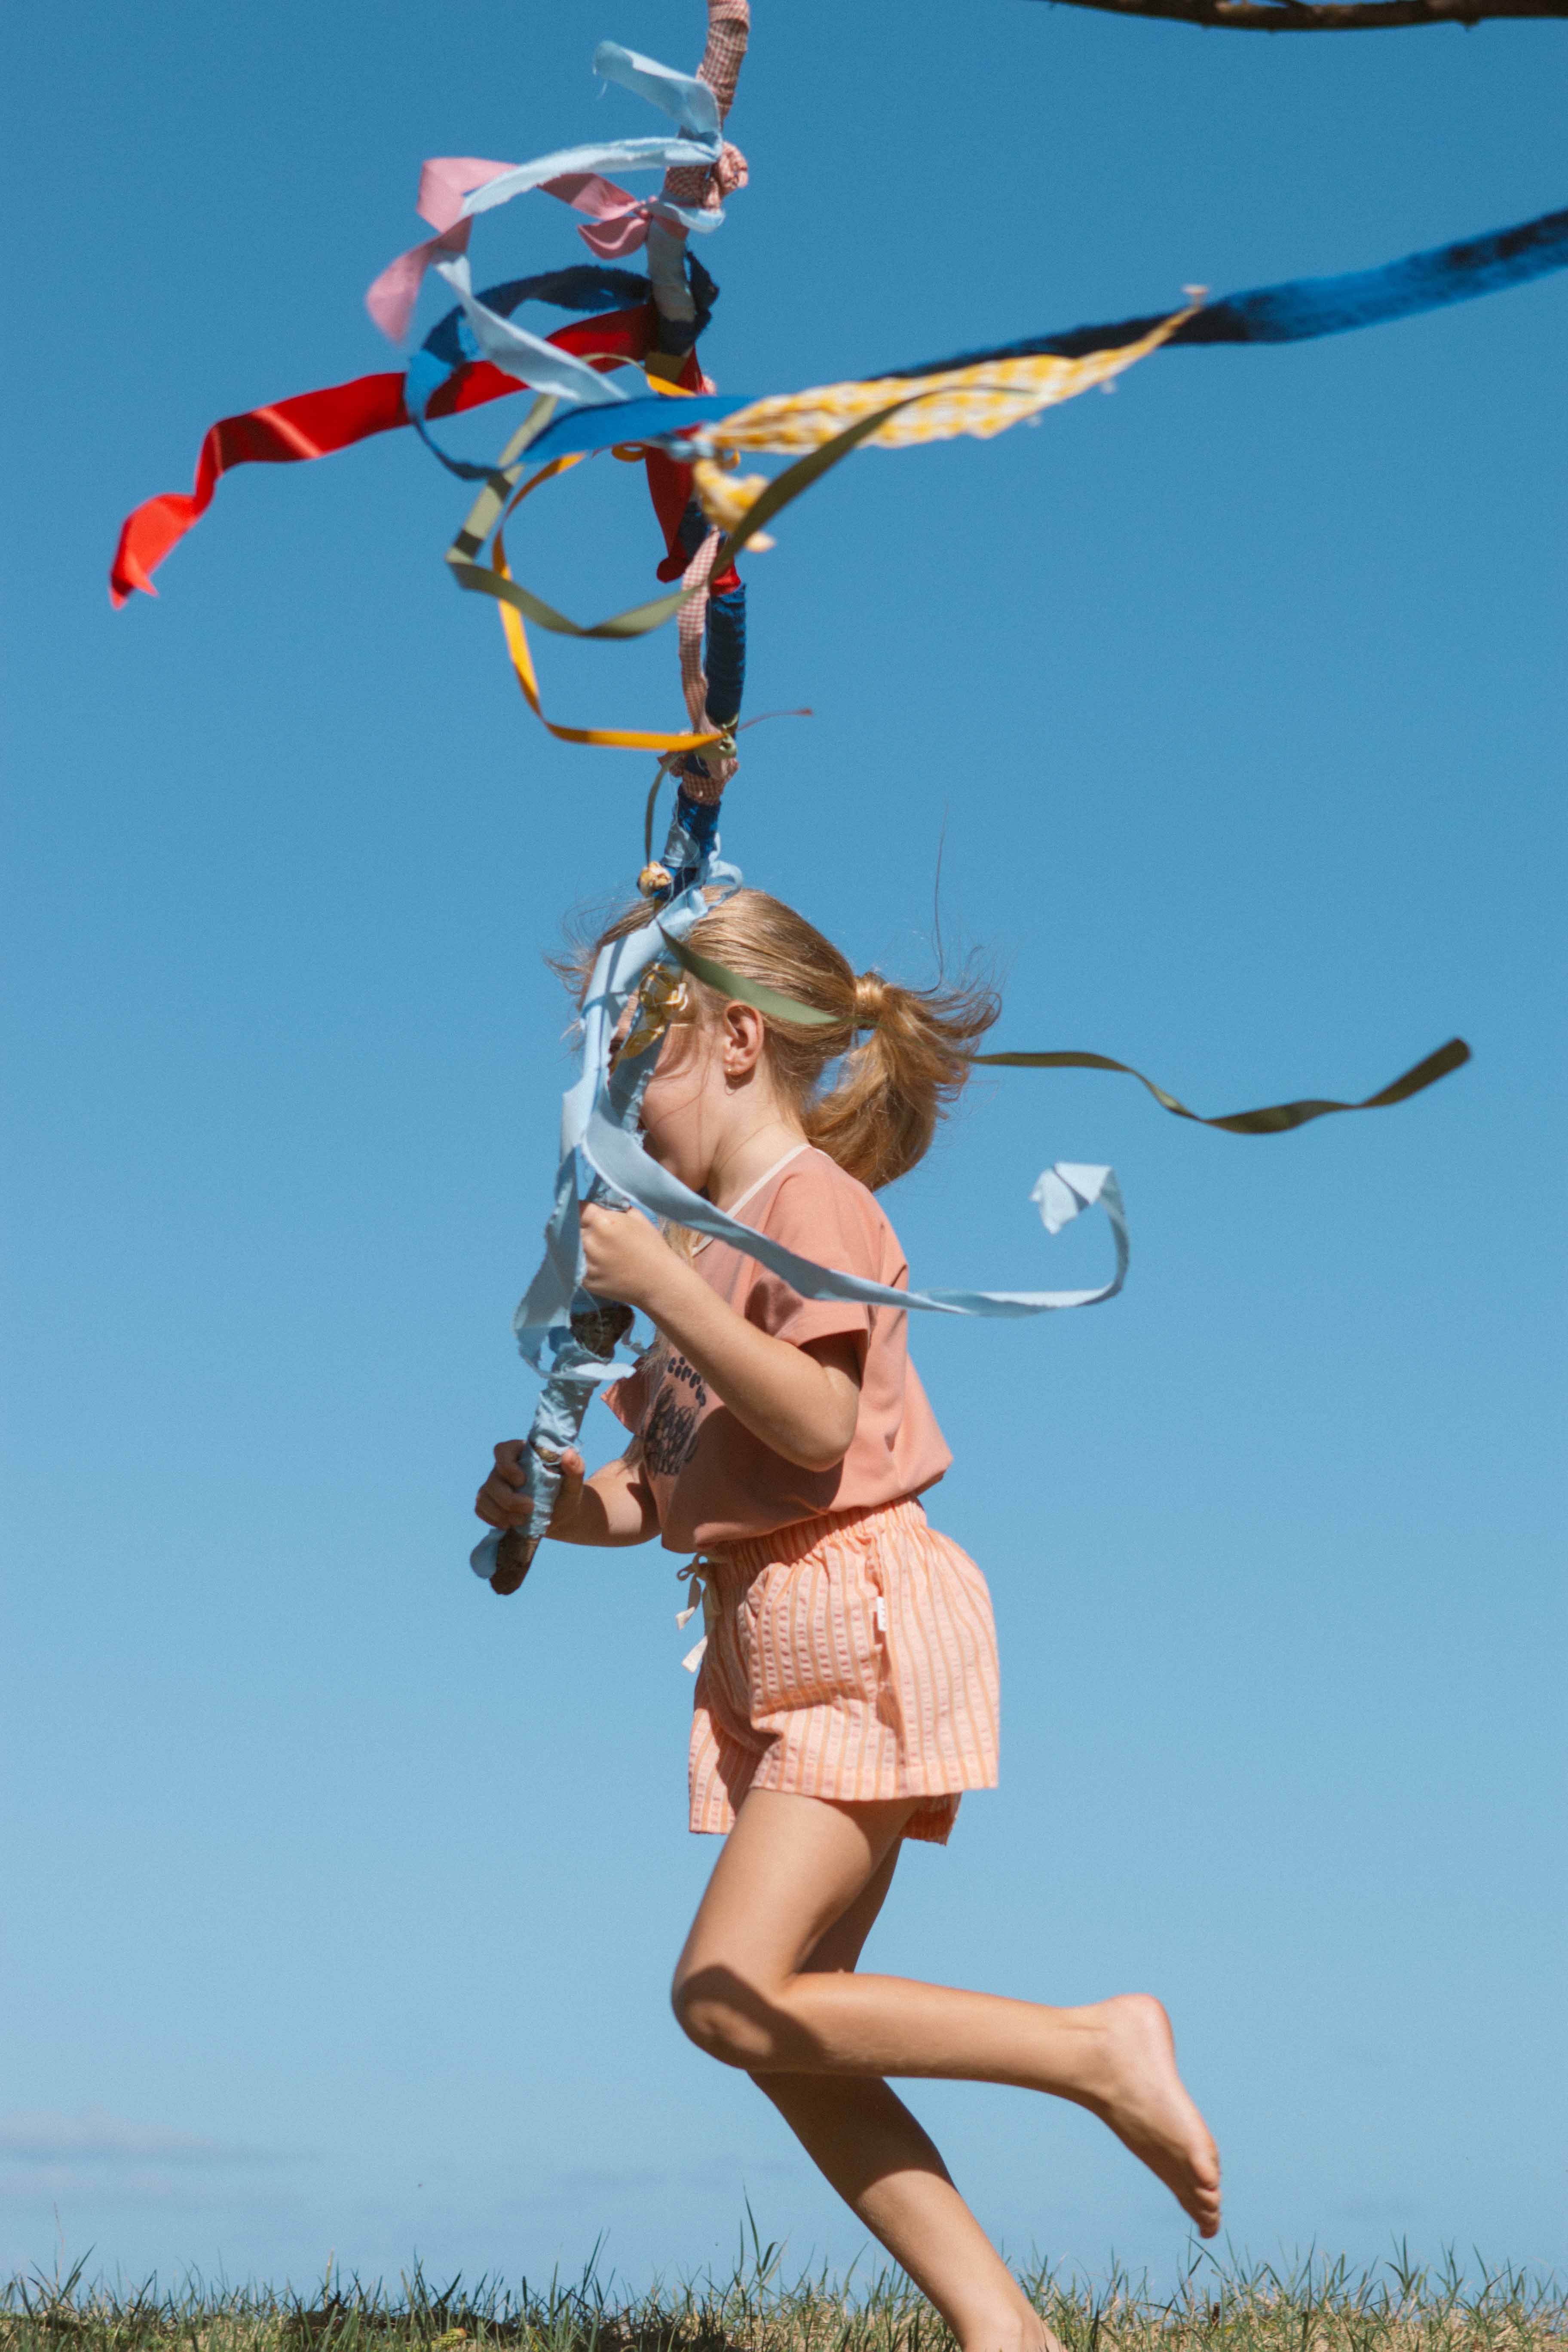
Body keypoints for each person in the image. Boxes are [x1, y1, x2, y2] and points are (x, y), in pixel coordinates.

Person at [475, 888, 1221, 2351]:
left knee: (725, 1995)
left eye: (642, 1060)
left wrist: (656, 1291)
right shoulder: (692, 1246)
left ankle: (1097, 2048)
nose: (618, 1102)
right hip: (768, 1630)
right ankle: (1004, 2331)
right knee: (790, 2027)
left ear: (738, 1040)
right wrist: (549, 1509)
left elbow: (816, 1423)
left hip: (859, 1613)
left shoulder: (813, 1205)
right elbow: (658, 1483)